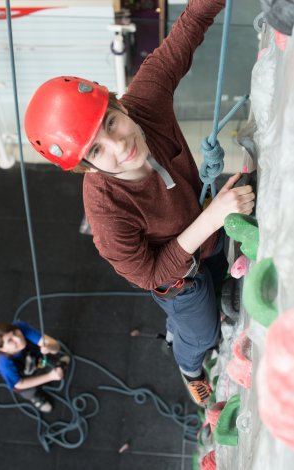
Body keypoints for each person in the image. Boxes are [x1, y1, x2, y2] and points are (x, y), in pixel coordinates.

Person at [24, 0, 255, 407]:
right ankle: (188, 363)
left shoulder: (143, 103)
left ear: (119, 104)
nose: (120, 145)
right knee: (202, 333)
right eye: (97, 150)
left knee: (222, 278)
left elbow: (187, 31)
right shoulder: (107, 215)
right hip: (179, 280)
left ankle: (196, 318)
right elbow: (151, 275)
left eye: (111, 122)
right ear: (86, 167)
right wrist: (213, 216)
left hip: (209, 230)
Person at [0, 321, 69, 413]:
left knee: (48, 362)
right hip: (25, 380)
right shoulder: (4, 365)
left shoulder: (21, 328)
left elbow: (56, 347)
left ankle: (56, 366)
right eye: (10, 341)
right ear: (3, 349)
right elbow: (20, 384)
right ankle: (35, 398)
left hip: (39, 362)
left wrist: (49, 347)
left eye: (15, 333)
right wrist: (50, 377)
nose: (18, 339)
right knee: (29, 392)